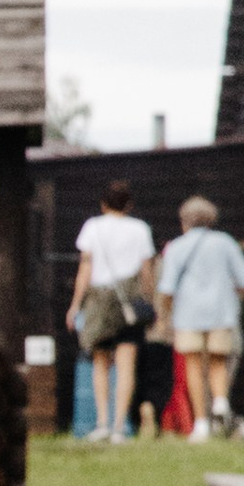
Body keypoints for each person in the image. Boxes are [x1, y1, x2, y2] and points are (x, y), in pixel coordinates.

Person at [156, 193, 244, 436]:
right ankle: (220, 402)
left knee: (193, 366)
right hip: (222, 312)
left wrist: (164, 316)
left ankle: (200, 423)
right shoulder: (225, 243)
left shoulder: (177, 247)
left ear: (184, 220)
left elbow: (167, 288)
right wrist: (234, 296)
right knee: (218, 361)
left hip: (188, 315)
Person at [69, 179, 157, 443]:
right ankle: (120, 426)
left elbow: (85, 268)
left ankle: (102, 423)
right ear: (129, 204)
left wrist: (75, 304)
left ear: (103, 203)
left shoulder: (92, 227)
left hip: (98, 300)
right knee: (126, 362)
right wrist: (148, 301)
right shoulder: (140, 229)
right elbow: (146, 271)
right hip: (129, 301)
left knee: (99, 361)